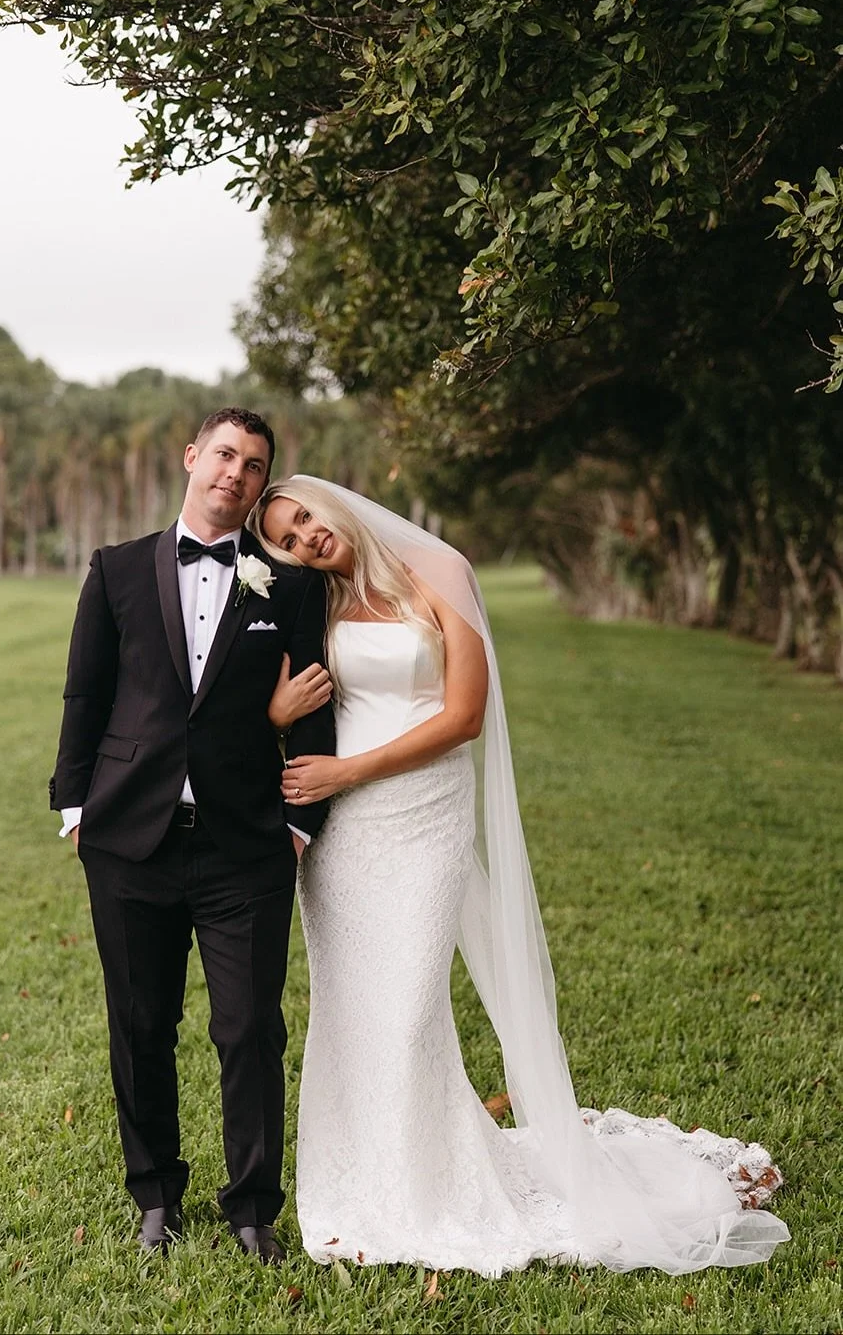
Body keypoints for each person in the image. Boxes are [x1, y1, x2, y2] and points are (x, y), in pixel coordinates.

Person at [250, 474, 790, 1278]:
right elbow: (267, 701)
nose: (304, 539)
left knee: (406, 1010)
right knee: (350, 1010)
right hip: (342, 841)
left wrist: (348, 771)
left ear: (330, 499)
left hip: (419, 810)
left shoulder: (440, 571)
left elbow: (463, 713)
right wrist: (279, 720)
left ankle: (431, 1190)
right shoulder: (309, 601)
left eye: (302, 518)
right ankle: (361, 1183)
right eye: (285, 542)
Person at [49, 411, 335, 1265]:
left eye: (254, 466)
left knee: (249, 1028)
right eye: (224, 455)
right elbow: (83, 697)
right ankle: (156, 1196)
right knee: (139, 1025)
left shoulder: (288, 585)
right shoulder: (118, 569)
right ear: (191, 458)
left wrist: (295, 823)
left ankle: (252, 1208)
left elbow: (314, 703)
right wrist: (74, 809)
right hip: (128, 840)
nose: (235, 475)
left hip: (244, 843)